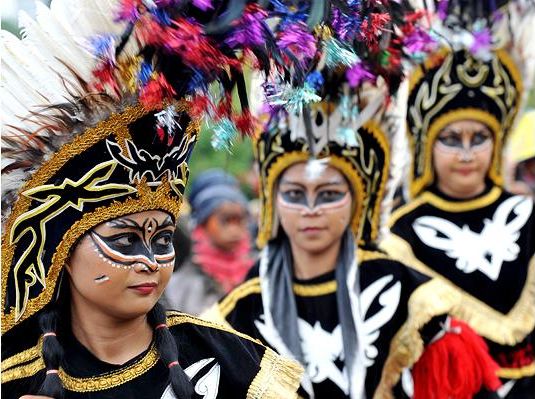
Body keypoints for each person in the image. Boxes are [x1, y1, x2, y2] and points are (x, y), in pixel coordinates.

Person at [0, 0, 303, 397]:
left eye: (162, 239)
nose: (151, 262)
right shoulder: (15, 379)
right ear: (62, 252)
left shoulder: (235, 366)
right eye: (125, 240)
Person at [203, 3, 502, 397]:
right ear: (273, 203)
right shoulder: (240, 310)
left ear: (358, 201)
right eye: (295, 195)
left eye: (328, 194)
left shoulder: (412, 300)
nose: (311, 211)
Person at [382, 3, 535, 397]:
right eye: (452, 140)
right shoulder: (400, 234)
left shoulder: (528, 214)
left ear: (496, 141)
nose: (466, 154)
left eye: (478, 138)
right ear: (428, 146)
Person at [164, 169, 254, 314]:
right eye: (227, 220)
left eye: (240, 220)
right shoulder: (183, 284)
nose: (235, 230)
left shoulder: (259, 271)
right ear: (203, 222)